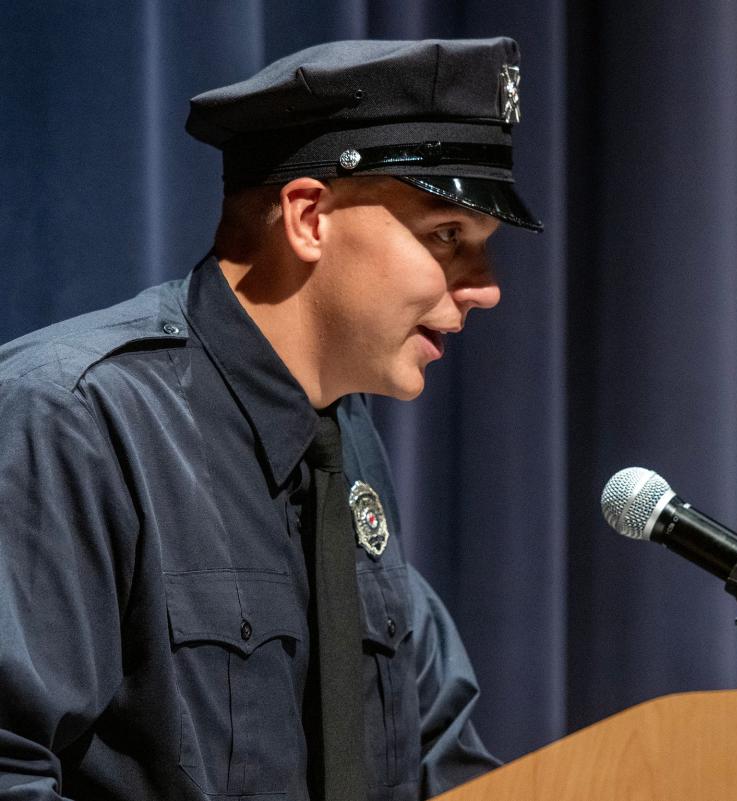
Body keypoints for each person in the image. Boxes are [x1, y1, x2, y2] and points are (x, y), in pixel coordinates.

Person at [0, 38, 541, 801]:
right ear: (309, 216)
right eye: (446, 236)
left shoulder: (343, 442)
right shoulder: (75, 421)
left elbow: (442, 757)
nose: (484, 289)